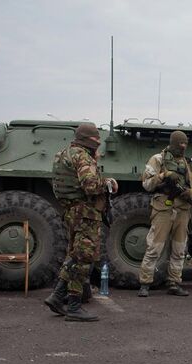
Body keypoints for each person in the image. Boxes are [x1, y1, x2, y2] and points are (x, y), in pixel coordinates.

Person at [44, 123, 117, 321]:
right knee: (83, 258)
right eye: (97, 141)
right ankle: (73, 305)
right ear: (89, 140)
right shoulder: (82, 156)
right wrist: (108, 183)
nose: (99, 144)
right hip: (85, 213)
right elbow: (91, 186)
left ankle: (58, 296)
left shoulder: (63, 154)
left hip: (71, 211)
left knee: (75, 255)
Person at [137, 130, 192, 297]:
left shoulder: (189, 164)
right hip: (163, 208)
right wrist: (163, 176)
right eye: (180, 144)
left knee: (179, 249)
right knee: (154, 247)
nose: (183, 147)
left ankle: (174, 282)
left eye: (185, 144)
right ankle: (145, 283)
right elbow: (147, 184)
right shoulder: (158, 159)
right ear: (173, 143)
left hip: (182, 210)